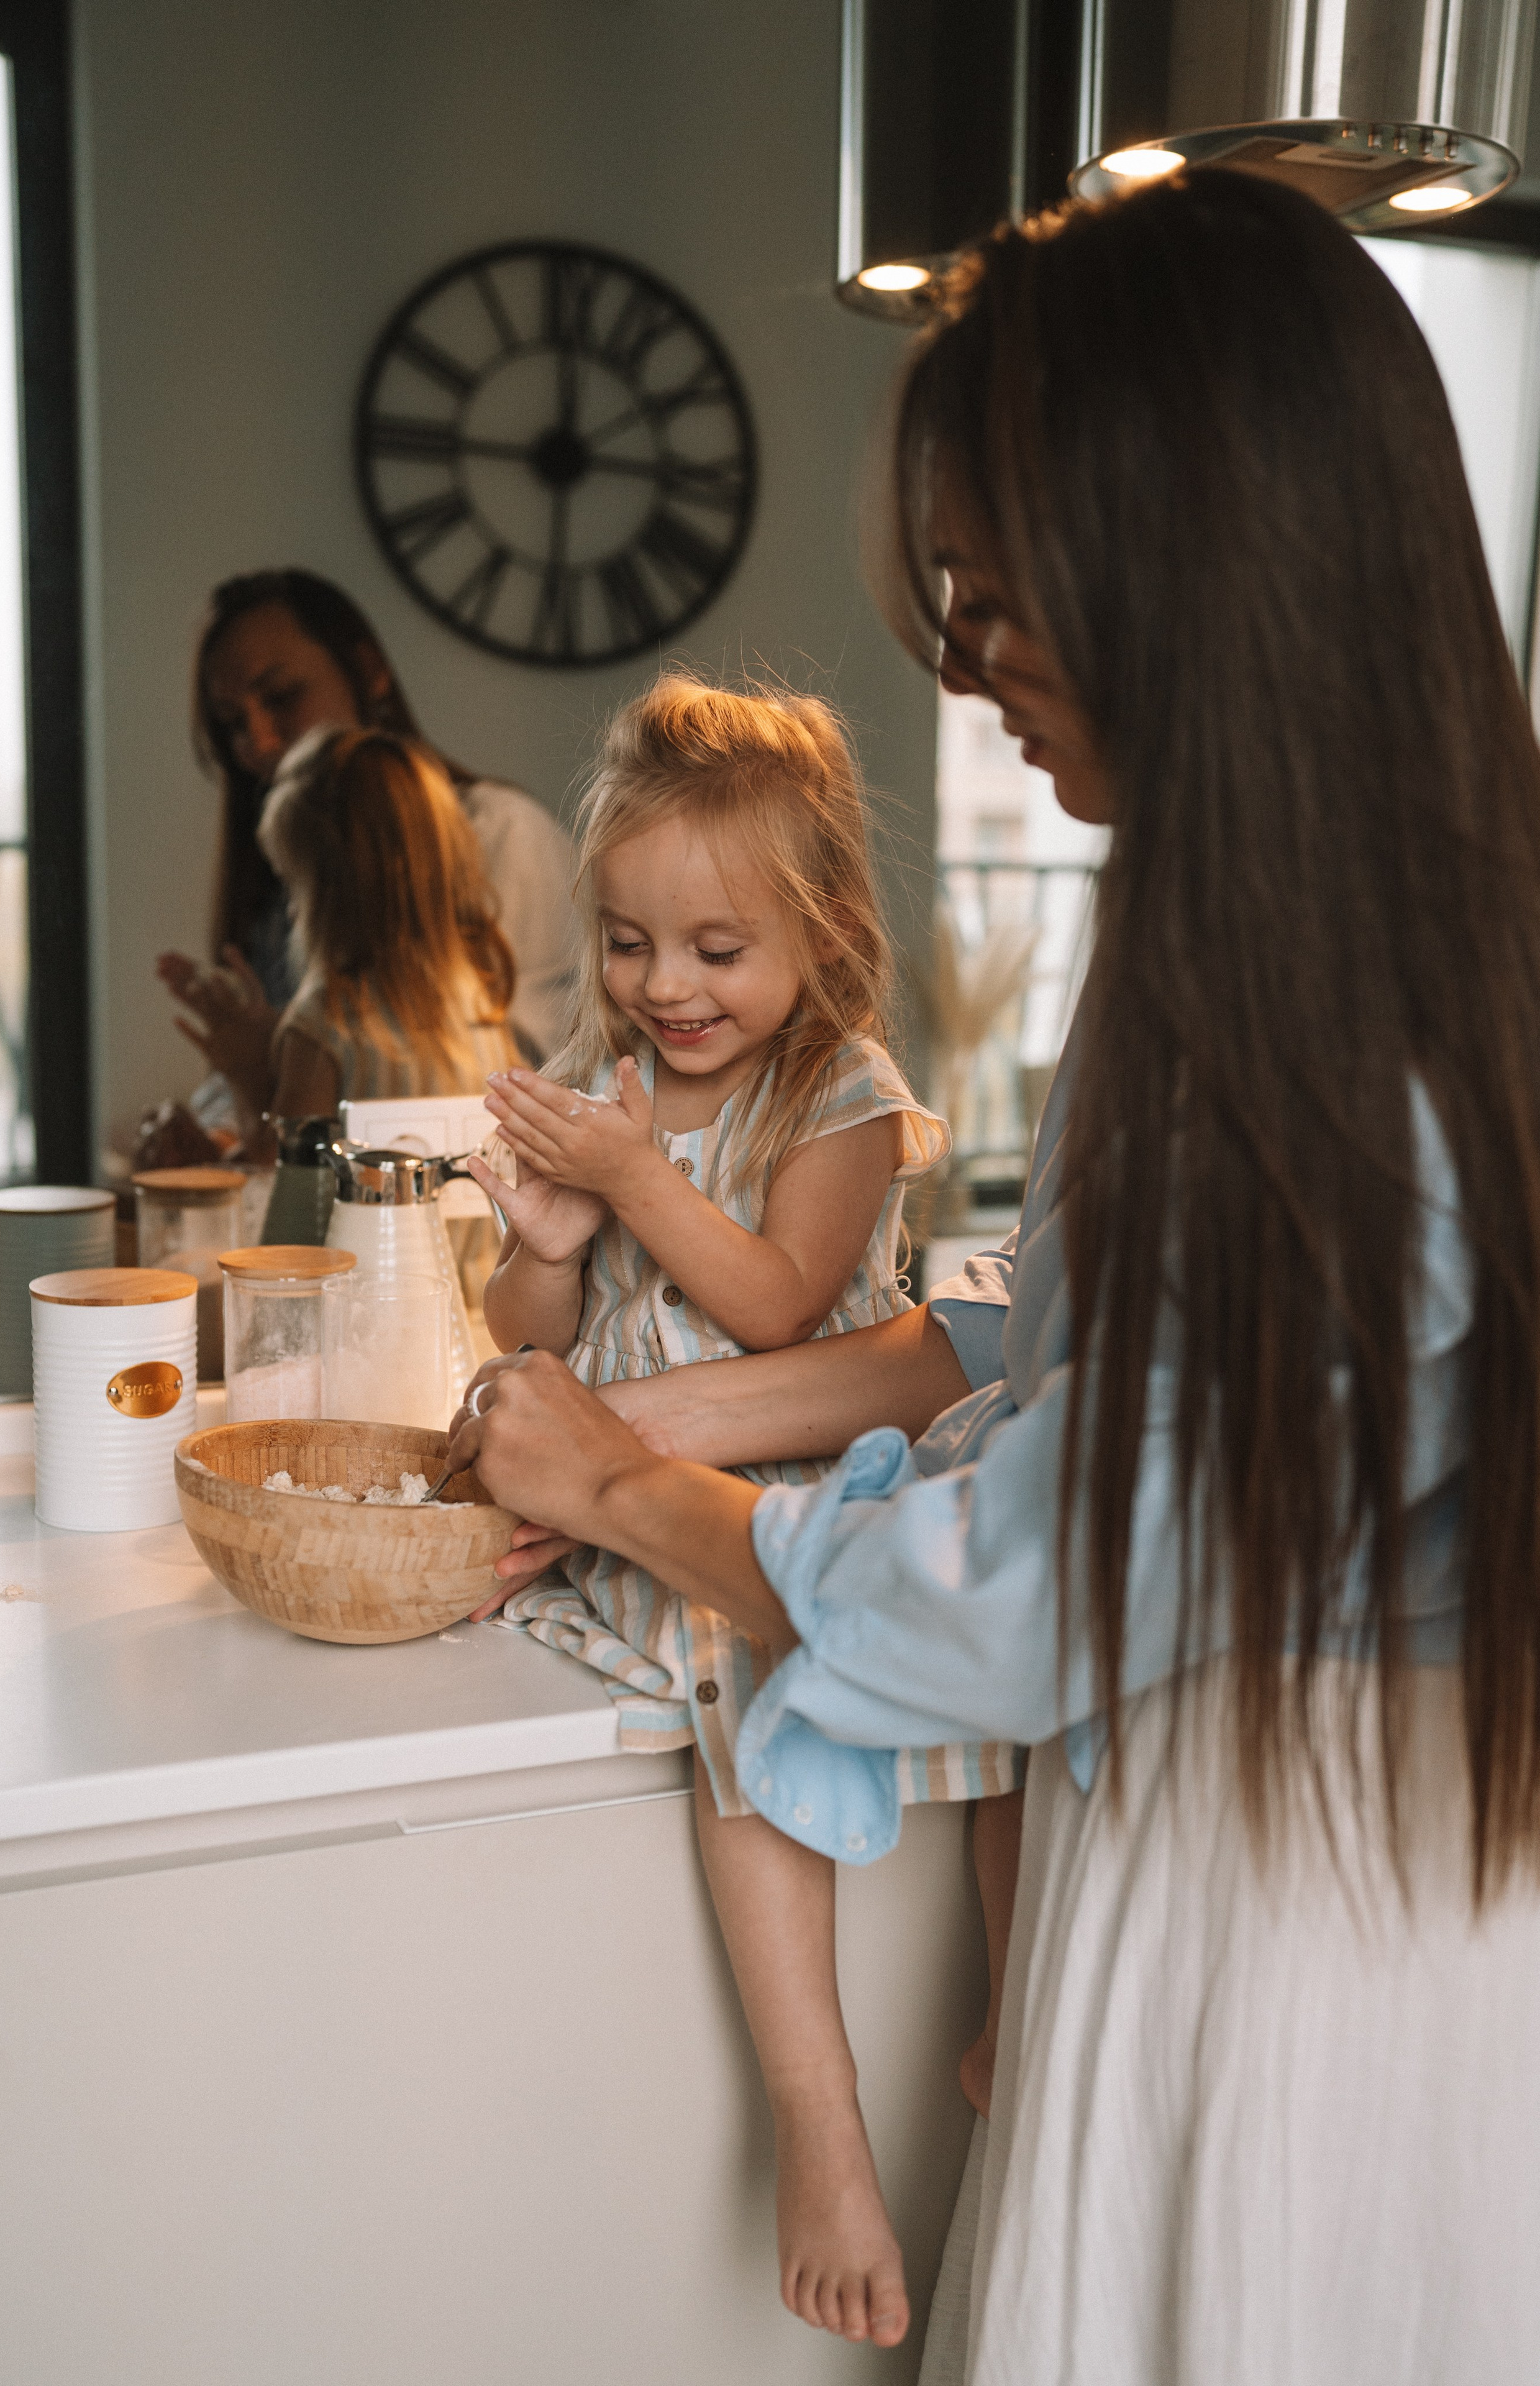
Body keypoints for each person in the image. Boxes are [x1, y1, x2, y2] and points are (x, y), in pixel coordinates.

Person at [446, 166, 1540, 2386]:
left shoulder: (1353, 1017)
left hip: (1301, 1906)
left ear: (1178, 557)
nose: (963, 659)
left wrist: (634, 1500)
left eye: (986, 587)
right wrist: (653, 1419)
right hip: (1257, 1825)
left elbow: (1031, 1590)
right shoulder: (1279, 911)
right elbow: (1083, 1347)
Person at [468, 674, 1018, 2353]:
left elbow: (782, 1305)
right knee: (737, 1672)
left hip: (810, 1486)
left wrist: (639, 1181)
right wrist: (552, 1243)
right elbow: (537, 1343)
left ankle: (977, 2020)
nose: (663, 987)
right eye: (630, 942)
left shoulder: (839, 1093)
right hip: (649, 1495)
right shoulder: (608, 1073)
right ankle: (822, 2104)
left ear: (819, 930)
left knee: (977, 1702)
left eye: (717, 949)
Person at [156, 568, 575, 1117]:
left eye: (282, 696)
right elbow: (255, 1096)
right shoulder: (272, 880)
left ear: (369, 672)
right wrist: (204, 1123)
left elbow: (547, 1071)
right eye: (233, 723)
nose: (258, 741)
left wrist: (281, 1063)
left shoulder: (503, 832)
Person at [252, 725, 516, 1128]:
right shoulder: (480, 1000)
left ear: (333, 897)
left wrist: (243, 1076)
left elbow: (291, 1183)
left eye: (295, 887)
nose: (291, 912)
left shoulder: (323, 1025)